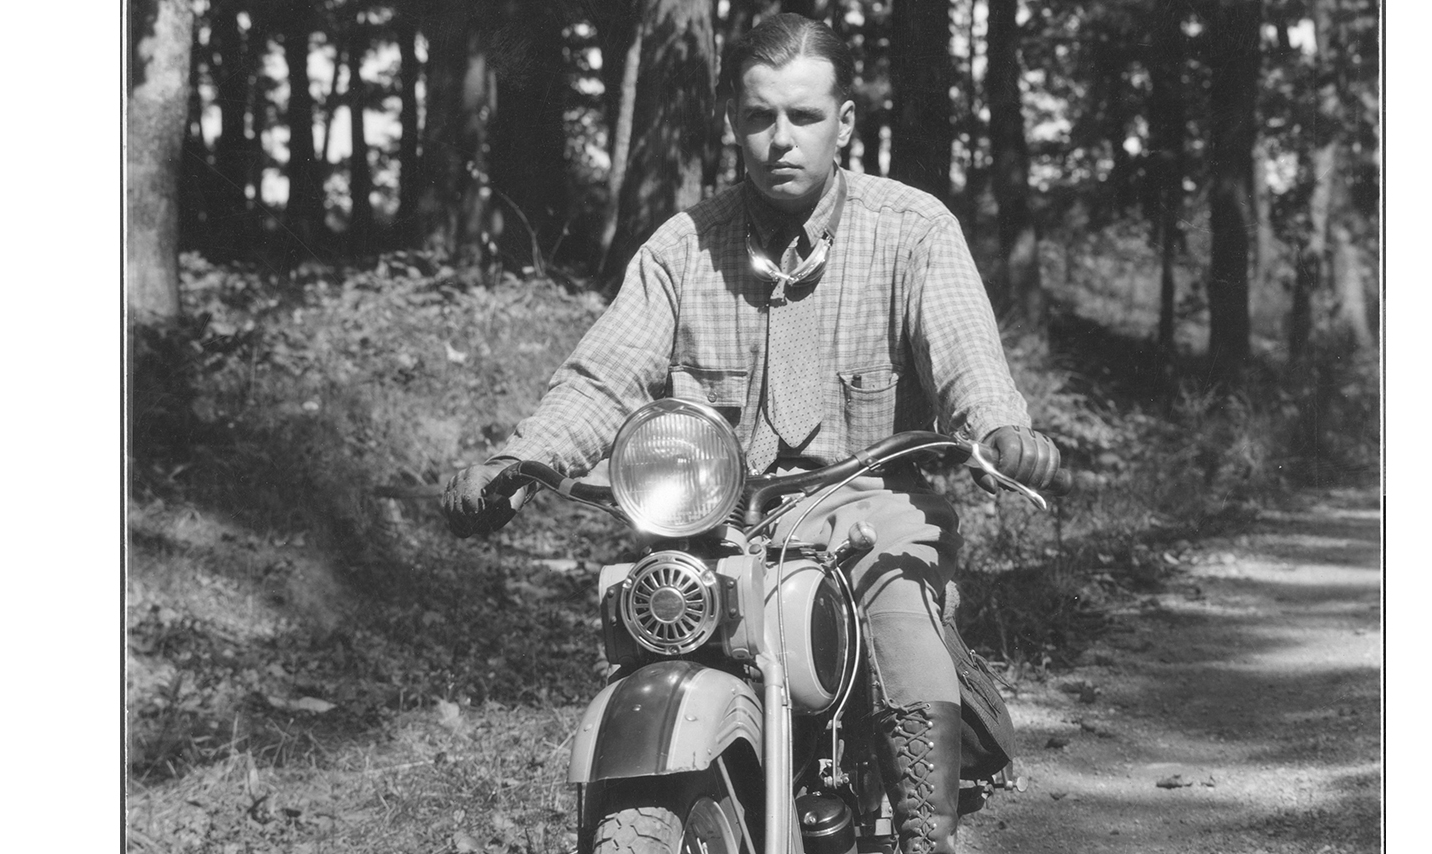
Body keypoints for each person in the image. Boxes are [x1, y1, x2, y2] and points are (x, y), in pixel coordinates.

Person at [443, 13, 1059, 854]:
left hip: (866, 508)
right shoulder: (683, 248)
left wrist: (999, 428)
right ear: (733, 120)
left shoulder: (912, 231)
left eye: (803, 117)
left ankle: (926, 833)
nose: (780, 139)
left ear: (843, 123)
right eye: (760, 116)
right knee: (649, 604)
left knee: (897, 591)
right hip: (715, 520)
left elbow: (965, 361)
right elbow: (604, 373)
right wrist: (526, 455)